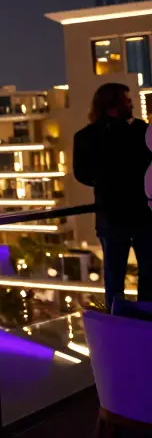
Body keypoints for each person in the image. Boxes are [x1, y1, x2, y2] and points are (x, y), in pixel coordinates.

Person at [72, 82, 152, 308]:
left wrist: (106, 182)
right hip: (140, 213)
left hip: (112, 214)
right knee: (145, 273)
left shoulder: (87, 136)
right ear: (113, 103)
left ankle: (119, 321)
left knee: (115, 276)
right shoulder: (139, 131)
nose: (131, 104)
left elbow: (82, 174)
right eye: (127, 100)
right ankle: (145, 321)